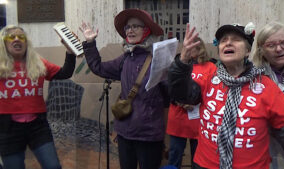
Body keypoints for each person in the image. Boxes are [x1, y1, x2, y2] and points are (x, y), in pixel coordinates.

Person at [168, 22, 284, 169]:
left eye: (236, 39)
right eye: (223, 40)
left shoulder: (265, 85)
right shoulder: (208, 78)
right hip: (204, 165)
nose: (228, 43)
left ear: (248, 51)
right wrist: (182, 62)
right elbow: (181, 95)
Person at [79, 8, 169, 169]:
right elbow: (98, 67)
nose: (130, 30)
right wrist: (90, 43)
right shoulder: (125, 59)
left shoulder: (159, 59)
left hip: (149, 135)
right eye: (128, 27)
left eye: (136, 26)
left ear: (147, 30)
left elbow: (169, 96)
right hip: (125, 133)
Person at [0, 25, 76, 169]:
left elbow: (65, 73)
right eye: (12, 37)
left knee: (53, 166)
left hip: (37, 126)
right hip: (7, 128)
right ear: (4, 42)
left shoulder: (38, 63)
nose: (17, 39)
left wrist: (70, 51)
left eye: (21, 37)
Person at [251, 21, 284, 169]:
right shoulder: (254, 75)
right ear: (262, 50)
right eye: (271, 45)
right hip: (269, 141)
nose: (279, 49)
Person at [166, 37, 213, 169]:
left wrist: (197, 101)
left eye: (194, 46)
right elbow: (168, 86)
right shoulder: (177, 65)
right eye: (188, 47)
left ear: (201, 48)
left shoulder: (210, 67)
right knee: (174, 156)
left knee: (198, 160)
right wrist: (178, 101)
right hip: (178, 119)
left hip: (199, 120)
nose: (191, 49)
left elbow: (214, 92)